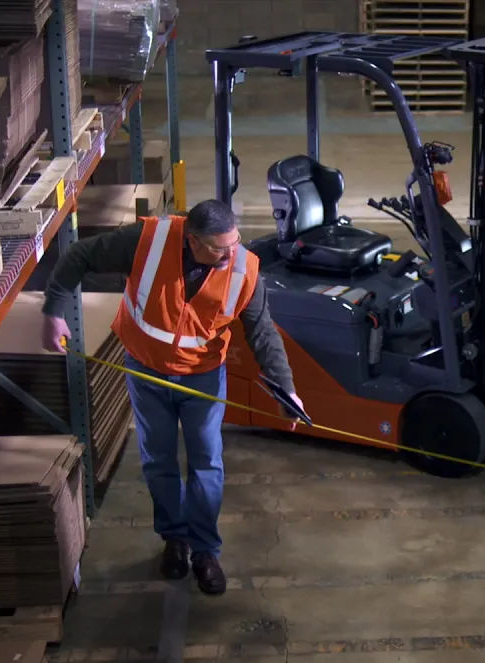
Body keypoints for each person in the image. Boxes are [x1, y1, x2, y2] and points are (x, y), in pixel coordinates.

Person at [41, 199, 302, 595]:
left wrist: (287, 389)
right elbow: (80, 255)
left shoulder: (244, 268)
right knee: (158, 459)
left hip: (203, 379)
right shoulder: (146, 242)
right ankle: (174, 539)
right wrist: (53, 310)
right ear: (192, 241)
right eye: (219, 248)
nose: (230, 253)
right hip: (146, 370)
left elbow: (262, 331)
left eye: (234, 243)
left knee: (206, 462)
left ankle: (205, 551)